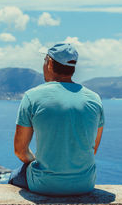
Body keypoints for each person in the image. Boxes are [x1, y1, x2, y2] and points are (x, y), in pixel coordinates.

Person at [8, 43, 104, 196]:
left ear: (50, 64)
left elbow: (20, 151)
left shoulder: (32, 97)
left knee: (13, 176)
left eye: (45, 60)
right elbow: (92, 149)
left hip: (44, 184)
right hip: (85, 183)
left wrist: (38, 163)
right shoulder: (95, 99)